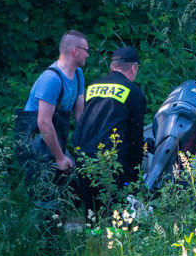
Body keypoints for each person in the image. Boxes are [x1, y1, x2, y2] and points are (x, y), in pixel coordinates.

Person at [73, 46, 147, 213]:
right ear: (134, 68)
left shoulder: (93, 86)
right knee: (115, 214)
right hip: (111, 161)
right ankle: (115, 237)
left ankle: (93, 237)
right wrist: (135, 172)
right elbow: (135, 136)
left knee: (92, 214)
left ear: (112, 66)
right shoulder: (134, 93)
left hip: (84, 156)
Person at [15, 30, 88, 198]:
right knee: (45, 195)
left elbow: (79, 114)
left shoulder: (78, 74)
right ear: (75, 51)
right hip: (34, 140)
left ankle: (62, 221)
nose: (88, 55)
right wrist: (60, 157)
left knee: (73, 185)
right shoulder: (51, 79)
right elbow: (44, 122)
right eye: (86, 50)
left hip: (54, 137)